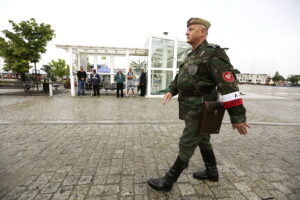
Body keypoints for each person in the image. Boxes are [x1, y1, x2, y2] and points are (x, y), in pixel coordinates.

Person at [147, 17, 250, 192]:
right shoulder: (191, 55)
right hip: (189, 107)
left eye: (192, 29)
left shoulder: (213, 53)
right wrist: (172, 90)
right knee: (203, 139)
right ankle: (212, 172)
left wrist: (237, 116)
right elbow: (181, 77)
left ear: (203, 32)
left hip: (202, 108)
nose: (187, 32)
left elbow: (228, 85)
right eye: (187, 29)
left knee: (187, 142)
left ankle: (168, 181)